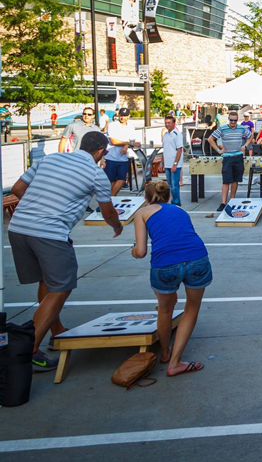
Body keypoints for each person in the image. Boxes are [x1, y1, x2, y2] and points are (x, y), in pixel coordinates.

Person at [8, 131, 121, 372]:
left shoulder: (50, 159)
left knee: (47, 282)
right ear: (101, 151)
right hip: (49, 233)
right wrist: (117, 227)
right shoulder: (95, 173)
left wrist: (38, 209)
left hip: (18, 229)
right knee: (63, 286)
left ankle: (56, 330)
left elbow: (17, 188)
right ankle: (29, 352)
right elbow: (108, 211)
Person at [131, 180, 211, 376]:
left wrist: (133, 251)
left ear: (146, 199)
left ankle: (166, 353)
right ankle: (176, 362)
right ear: (169, 196)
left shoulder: (142, 213)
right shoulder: (181, 211)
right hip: (196, 259)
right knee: (191, 309)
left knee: (165, 310)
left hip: (165, 265)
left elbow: (141, 252)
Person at [207, 111, 253, 212]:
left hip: (238, 155)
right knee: (226, 180)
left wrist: (245, 146)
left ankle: (232, 199)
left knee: (235, 179)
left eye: (235, 120)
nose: (233, 122)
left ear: (237, 120)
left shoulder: (241, 128)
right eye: (231, 120)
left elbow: (250, 136)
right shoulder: (223, 128)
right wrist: (219, 150)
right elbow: (210, 139)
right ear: (228, 119)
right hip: (227, 156)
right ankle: (223, 202)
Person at [104, 107, 140, 196]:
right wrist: (128, 143)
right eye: (121, 115)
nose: (123, 117)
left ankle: (111, 198)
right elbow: (114, 141)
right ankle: (108, 200)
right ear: (118, 115)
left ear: (128, 116)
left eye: (125, 116)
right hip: (111, 157)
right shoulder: (112, 125)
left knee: (121, 179)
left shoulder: (131, 126)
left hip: (123, 158)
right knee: (111, 181)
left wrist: (126, 145)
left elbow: (132, 140)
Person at [162, 114, 184, 206]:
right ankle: (173, 202)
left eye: (169, 123)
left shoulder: (177, 134)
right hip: (167, 164)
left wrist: (175, 164)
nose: (167, 125)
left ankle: (176, 203)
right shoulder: (165, 134)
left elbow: (179, 149)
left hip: (174, 164)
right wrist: (162, 163)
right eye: (166, 123)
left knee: (175, 186)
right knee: (170, 185)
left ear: (174, 123)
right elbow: (165, 149)